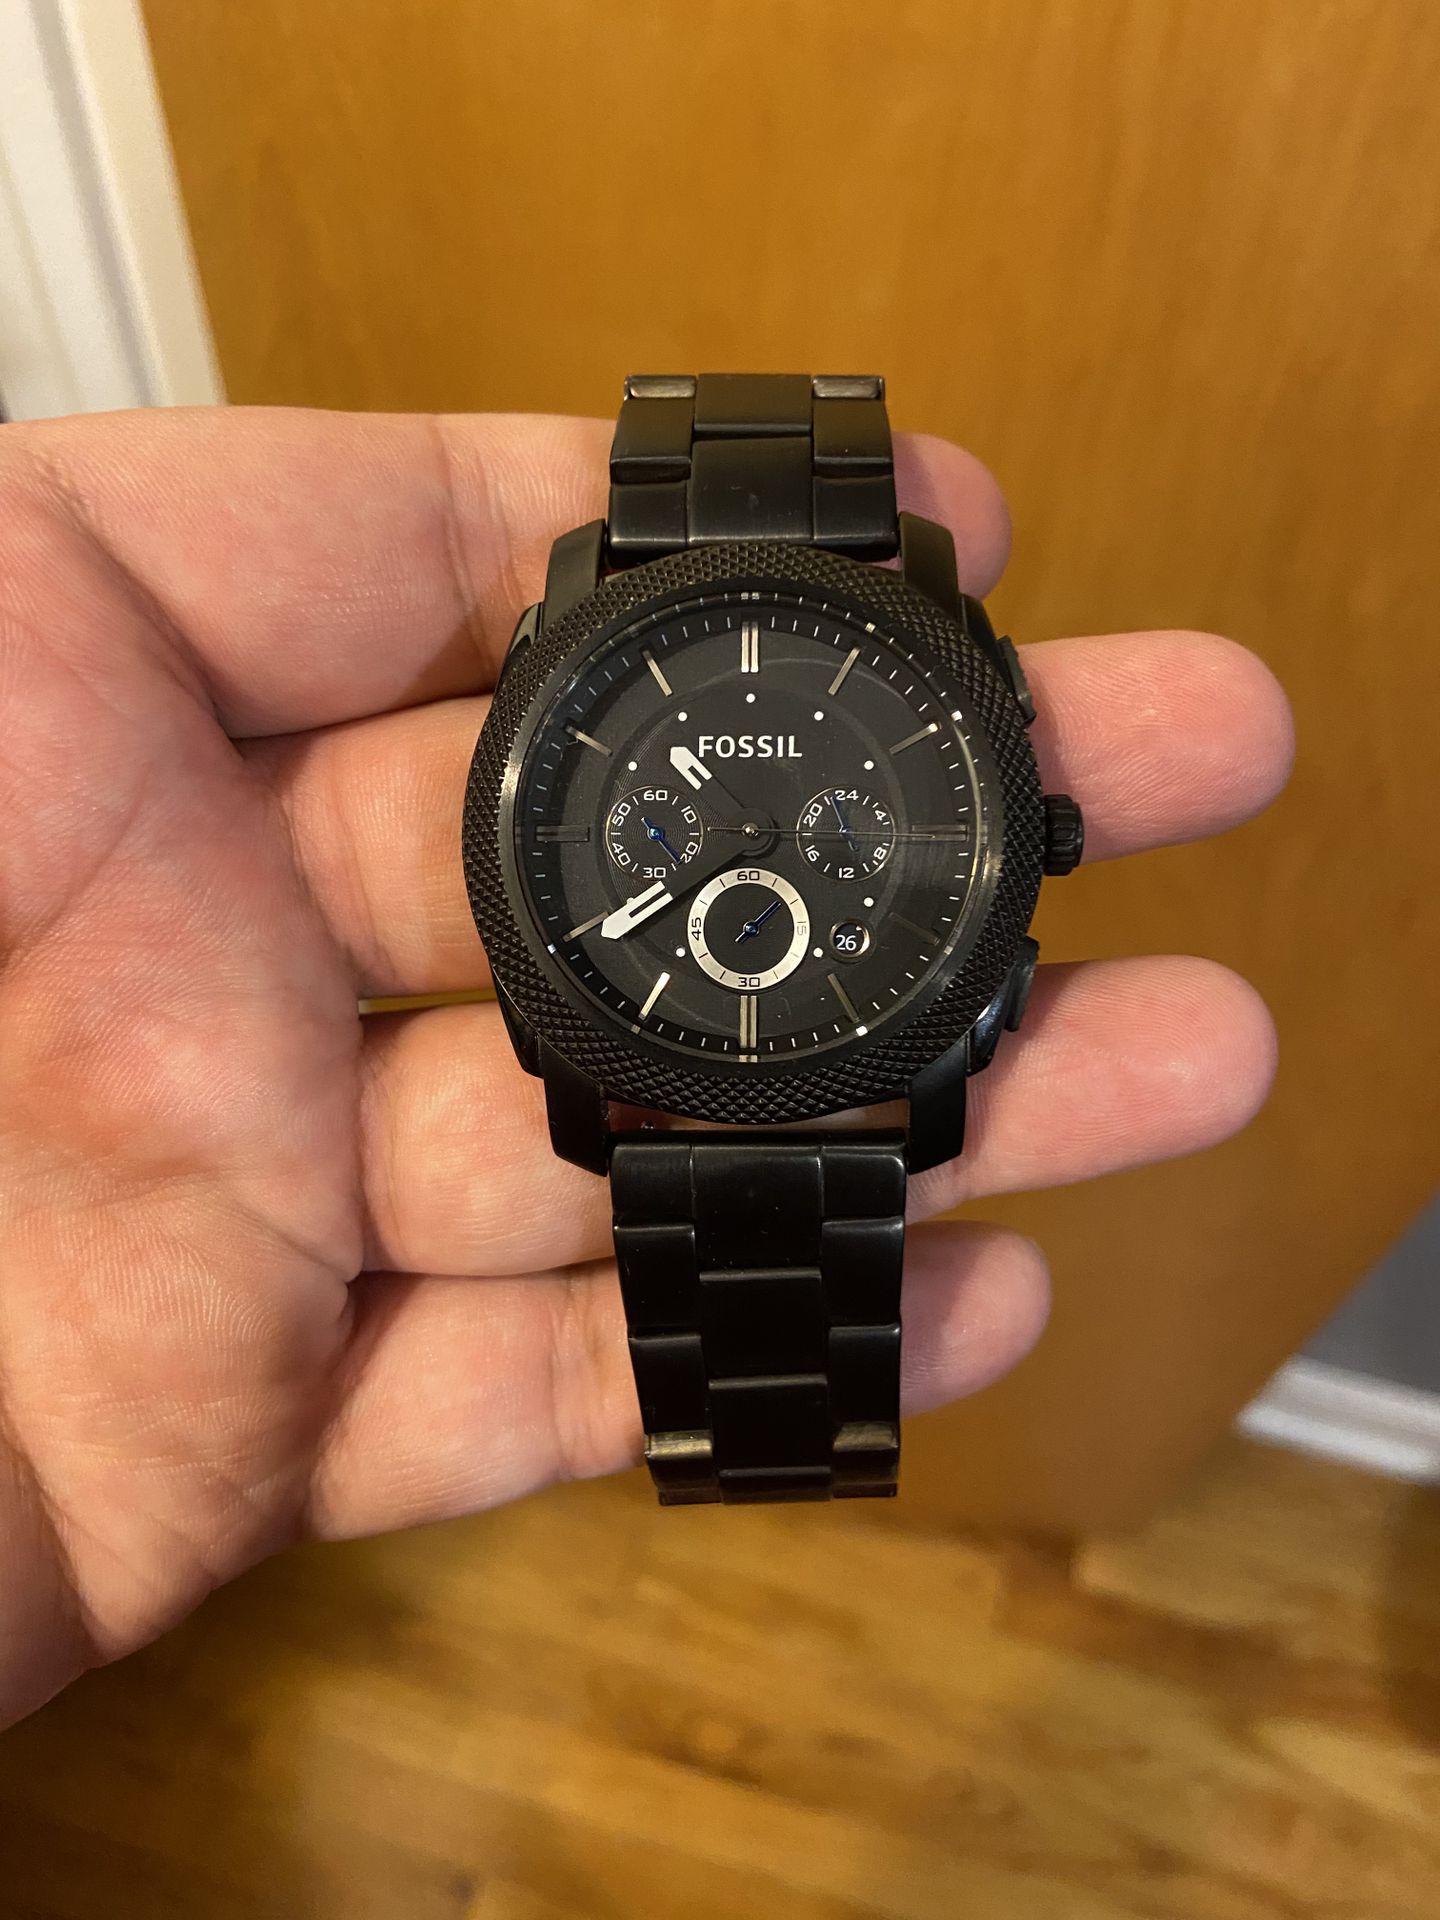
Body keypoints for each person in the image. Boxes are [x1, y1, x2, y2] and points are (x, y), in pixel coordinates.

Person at [0, 406, 1293, 1727]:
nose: (749, 835)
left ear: (1031, 836)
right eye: (709, 819)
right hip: (672, 1026)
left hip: (830, 1031)